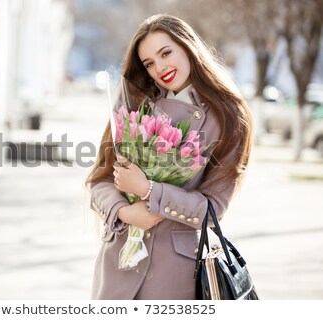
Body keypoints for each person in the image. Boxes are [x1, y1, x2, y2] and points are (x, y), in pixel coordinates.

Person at [86, 14, 253, 300]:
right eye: (149, 63)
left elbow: (213, 209)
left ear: (187, 46)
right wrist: (125, 211)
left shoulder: (228, 116)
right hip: (118, 264)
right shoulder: (135, 101)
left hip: (173, 274)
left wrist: (150, 191)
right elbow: (99, 181)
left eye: (166, 53)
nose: (160, 68)